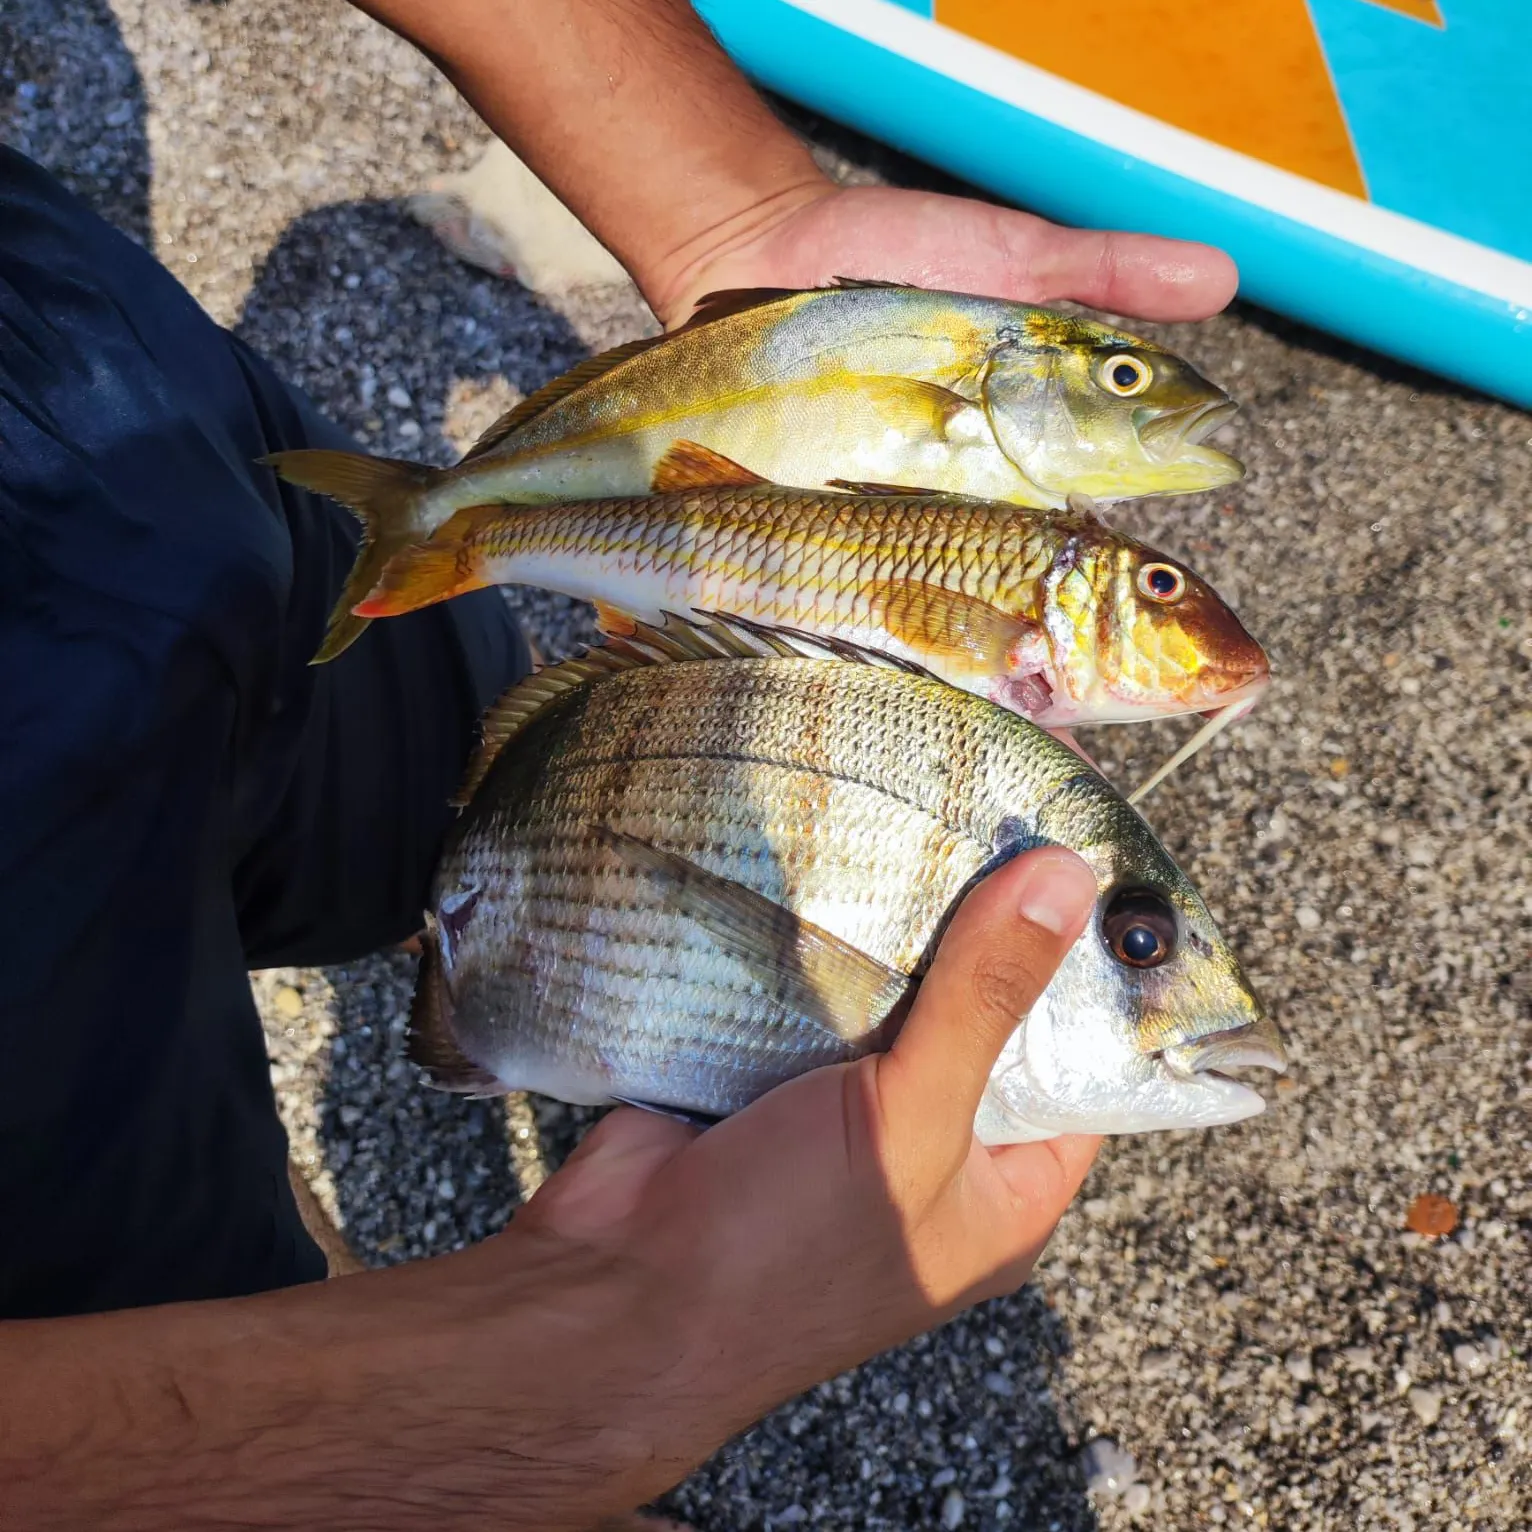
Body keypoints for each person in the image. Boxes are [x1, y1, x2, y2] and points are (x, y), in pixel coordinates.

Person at [0, 2, 1237, 1526]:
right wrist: (578, 1386)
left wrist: (731, 198)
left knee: (459, 764)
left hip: (74, 364)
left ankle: (468, 961)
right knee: (167, 1272)